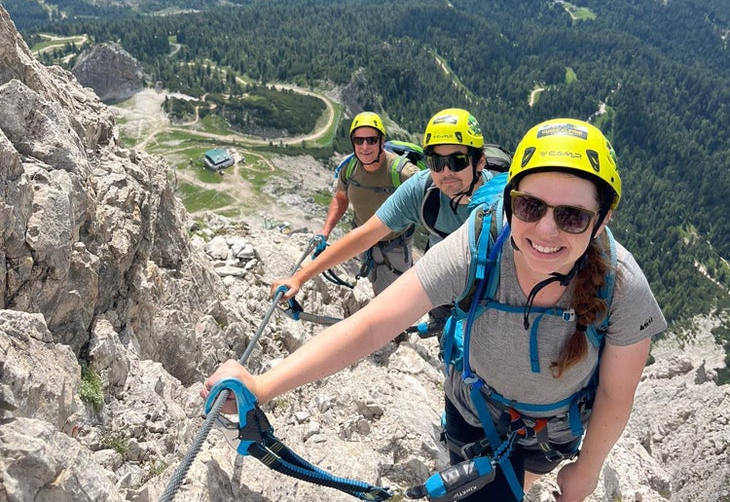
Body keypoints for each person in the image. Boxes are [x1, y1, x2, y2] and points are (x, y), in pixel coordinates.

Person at [204, 118, 667, 501]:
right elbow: (374, 324)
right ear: (511, 202)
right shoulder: (481, 242)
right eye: (530, 206)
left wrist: (587, 471)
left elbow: (615, 395)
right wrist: (261, 386)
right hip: (473, 409)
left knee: (505, 486)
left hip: (549, 432)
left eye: (571, 216)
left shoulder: (622, 286)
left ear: (601, 219)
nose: (546, 231)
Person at [270, 108, 502, 317]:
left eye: (457, 160)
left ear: (480, 161)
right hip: (444, 287)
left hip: (496, 292)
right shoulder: (422, 190)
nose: (446, 171)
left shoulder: (504, 201)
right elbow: (364, 235)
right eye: (436, 162)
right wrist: (300, 277)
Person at [315, 111, 420, 295]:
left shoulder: (402, 172)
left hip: (395, 245)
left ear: (381, 141)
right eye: (359, 140)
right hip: (364, 244)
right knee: (375, 287)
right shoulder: (349, 168)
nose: (365, 146)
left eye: (371, 140)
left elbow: (431, 199)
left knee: (393, 298)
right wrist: (325, 232)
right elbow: (341, 198)